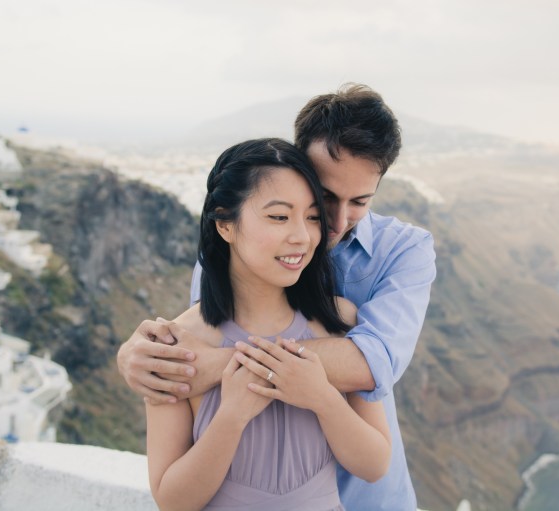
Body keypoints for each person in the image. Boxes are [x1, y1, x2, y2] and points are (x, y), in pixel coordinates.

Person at [119, 84, 437, 511]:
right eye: (323, 198)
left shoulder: (403, 254)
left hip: (370, 501)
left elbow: (370, 363)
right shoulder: (230, 257)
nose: (335, 222)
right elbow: (207, 337)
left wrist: (208, 363)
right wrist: (146, 358)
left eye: (360, 201)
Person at [147, 138, 391, 510]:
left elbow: (374, 465)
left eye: (312, 217)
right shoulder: (178, 343)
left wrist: (323, 399)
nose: (302, 237)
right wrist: (231, 416)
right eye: (279, 216)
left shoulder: (340, 322)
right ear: (225, 223)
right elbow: (172, 501)